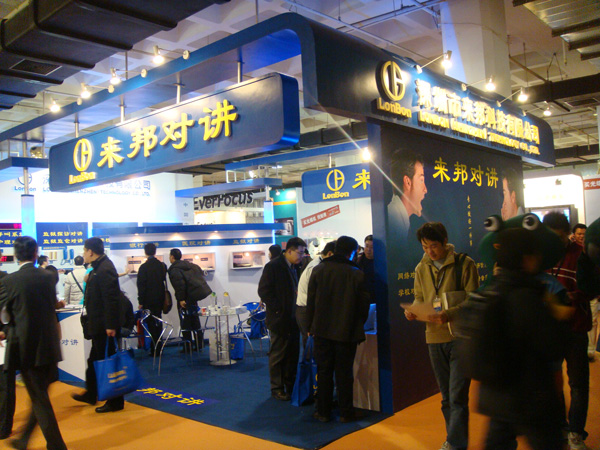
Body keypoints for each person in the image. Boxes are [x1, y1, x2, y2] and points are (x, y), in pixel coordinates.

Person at [477, 227, 564, 450]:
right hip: (531, 394)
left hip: (495, 394)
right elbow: (553, 346)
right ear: (526, 258)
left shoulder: (490, 291)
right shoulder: (527, 296)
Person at [404, 222, 479, 450]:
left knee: (457, 396)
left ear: (445, 242)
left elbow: (474, 300)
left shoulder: (464, 264)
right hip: (434, 337)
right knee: (446, 396)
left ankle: (455, 443)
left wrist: (449, 314)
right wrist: (414, 310)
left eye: (434, 246)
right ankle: (454, 439)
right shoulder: (421, 268)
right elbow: (419, 297)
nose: (430, 252)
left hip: (460, 337)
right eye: (425, 247)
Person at [0, 236, 67, 450]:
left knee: (39, 398)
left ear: (16, 255)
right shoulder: (49, 277)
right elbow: (52, 304)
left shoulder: (9, 281)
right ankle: (24, 440)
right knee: (39, 396)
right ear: (36, 253)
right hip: (50, 346)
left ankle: (57, 445)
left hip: (26, 348)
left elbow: (5, 315)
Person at [306, 236, 371, 423]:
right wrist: (358, 325)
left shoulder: (319, 270)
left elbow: (311, 302)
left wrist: (310, 326)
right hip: (346, 332)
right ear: (352, 252)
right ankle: (346, 412)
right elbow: (363, 307)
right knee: (344, 373)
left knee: (324, 371)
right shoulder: (356, 273)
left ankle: (323, 412)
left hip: (321, 331)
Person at [543, 212, 593, 450]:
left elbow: (592, 288)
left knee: (578, 384)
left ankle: (575, 433)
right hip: (549, 330)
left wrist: (569, 297)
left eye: (559, 238)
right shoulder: (541, 254)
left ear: (568, 235)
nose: (555, 242)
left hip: (575, 328)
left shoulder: (581, 255)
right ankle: (560, 428)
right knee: (552, 383)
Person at [71, 237, 125, 413]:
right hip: (100, 325)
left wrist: (110, 325)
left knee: (108, 363)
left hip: (105, 327)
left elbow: (111, 300)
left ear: (91, 252)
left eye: (84, 250)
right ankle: (91, 393)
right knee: (94, 361)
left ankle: (115, 401)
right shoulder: (98, 268)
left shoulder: (105, 268)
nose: (83, 254)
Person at [258, 236, 306, 401]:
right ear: (289, 251)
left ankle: (290, 385)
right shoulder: (273, 266)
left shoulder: (294, 267)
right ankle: (277, 388)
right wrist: (278, 309)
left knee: (292, 354)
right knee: (278, 355)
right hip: (279, 319)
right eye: (299, 253)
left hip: (293, 319)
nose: (302, 256)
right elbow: (264, 291)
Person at [168, 249, 212, 350]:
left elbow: (179, 285)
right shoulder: (190, 265)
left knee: (185, 322)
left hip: (184, 299)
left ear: (172, 257)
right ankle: (199, 343)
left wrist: (181, 299)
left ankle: (187, 346)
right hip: (193, 296)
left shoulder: (174, 269)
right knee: (195, 320)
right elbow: (200, 273)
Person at [296, 240, 336, 348]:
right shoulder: (316, 267)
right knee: (311, 344)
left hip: (307, 308)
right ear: (330, 254)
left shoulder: (318, 264)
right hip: (306, 309)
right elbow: (315, 294)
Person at [387, 151, 427, 241]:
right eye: (421, 180)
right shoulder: (394, 219)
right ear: (408, 182)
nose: (425, 189)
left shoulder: (400, 217)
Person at [137, 244, 167, 355]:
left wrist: (140, 301)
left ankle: (154, 348)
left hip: (148, 300)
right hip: (160, 298)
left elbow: (141, 286)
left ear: (145, 252)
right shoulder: (161, 265)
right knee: (158, 321)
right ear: (155, 251)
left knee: (150, 323)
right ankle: (159, 347)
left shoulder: (143, 267)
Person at [0, 254, 15, 441]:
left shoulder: (7, 281)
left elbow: (13, 310)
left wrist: (4, 331)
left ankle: (4, 426)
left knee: (4, 386)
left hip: (3, 342)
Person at [356, 235, 375, 302]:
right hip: (361, 298)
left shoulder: (381, 263)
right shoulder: (358, 262)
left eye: (372, 247)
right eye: (366, 246)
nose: (368, 250)